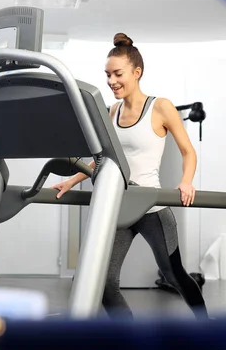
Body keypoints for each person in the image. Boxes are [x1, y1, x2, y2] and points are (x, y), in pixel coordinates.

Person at [51, 32, 208, 320]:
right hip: (118, 207)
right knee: (105, 283)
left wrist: (186, 181)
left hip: (151, 207)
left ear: (137, 72)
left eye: (118, 74)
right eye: (108, 74)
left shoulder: (161, 107)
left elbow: (188, 151)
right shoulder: (112, 111)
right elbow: (104, 160)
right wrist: (73, 179)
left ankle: (205, 324)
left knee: (173, 275)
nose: (111, 81)